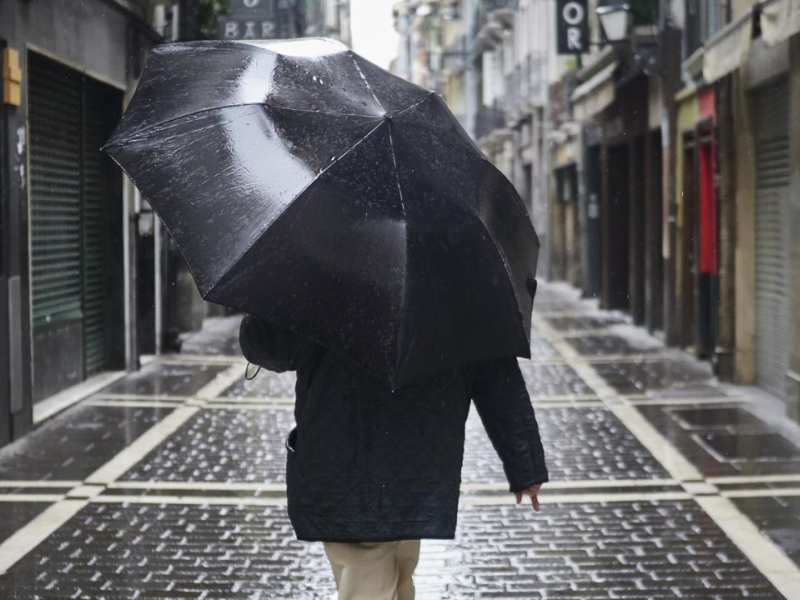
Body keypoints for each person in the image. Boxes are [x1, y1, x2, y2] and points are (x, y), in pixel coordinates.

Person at [239, 315, 548, 600]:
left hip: (342, 461)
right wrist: (525, 463)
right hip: (416, 468)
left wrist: (257, 318)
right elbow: (496, 373)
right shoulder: (457, 278)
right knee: (396, 577)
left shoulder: (322, 271)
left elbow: (272, 347)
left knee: (370, 577)